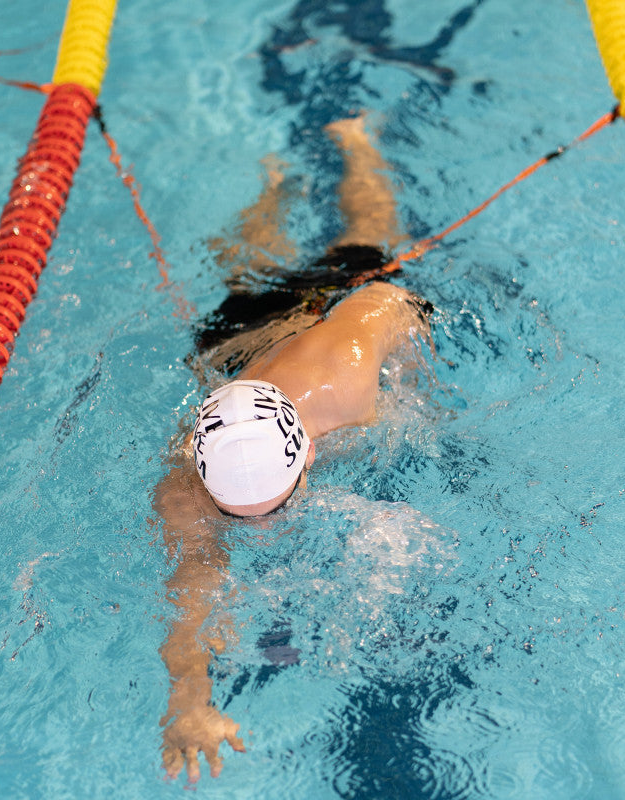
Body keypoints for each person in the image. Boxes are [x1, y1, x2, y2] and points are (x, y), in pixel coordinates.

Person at [154, 115, 430, 782]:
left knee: (370, 241)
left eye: (272, 511)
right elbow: (190, 593)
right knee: (246, 274)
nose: (266, 529)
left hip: (325, 320)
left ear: (308, 454)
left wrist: (413, 398)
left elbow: (399, 303)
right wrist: (189, 703)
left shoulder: (348, 368)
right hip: (237, 347)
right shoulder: (182, 485)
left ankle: (356, 142)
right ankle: (274, 182)